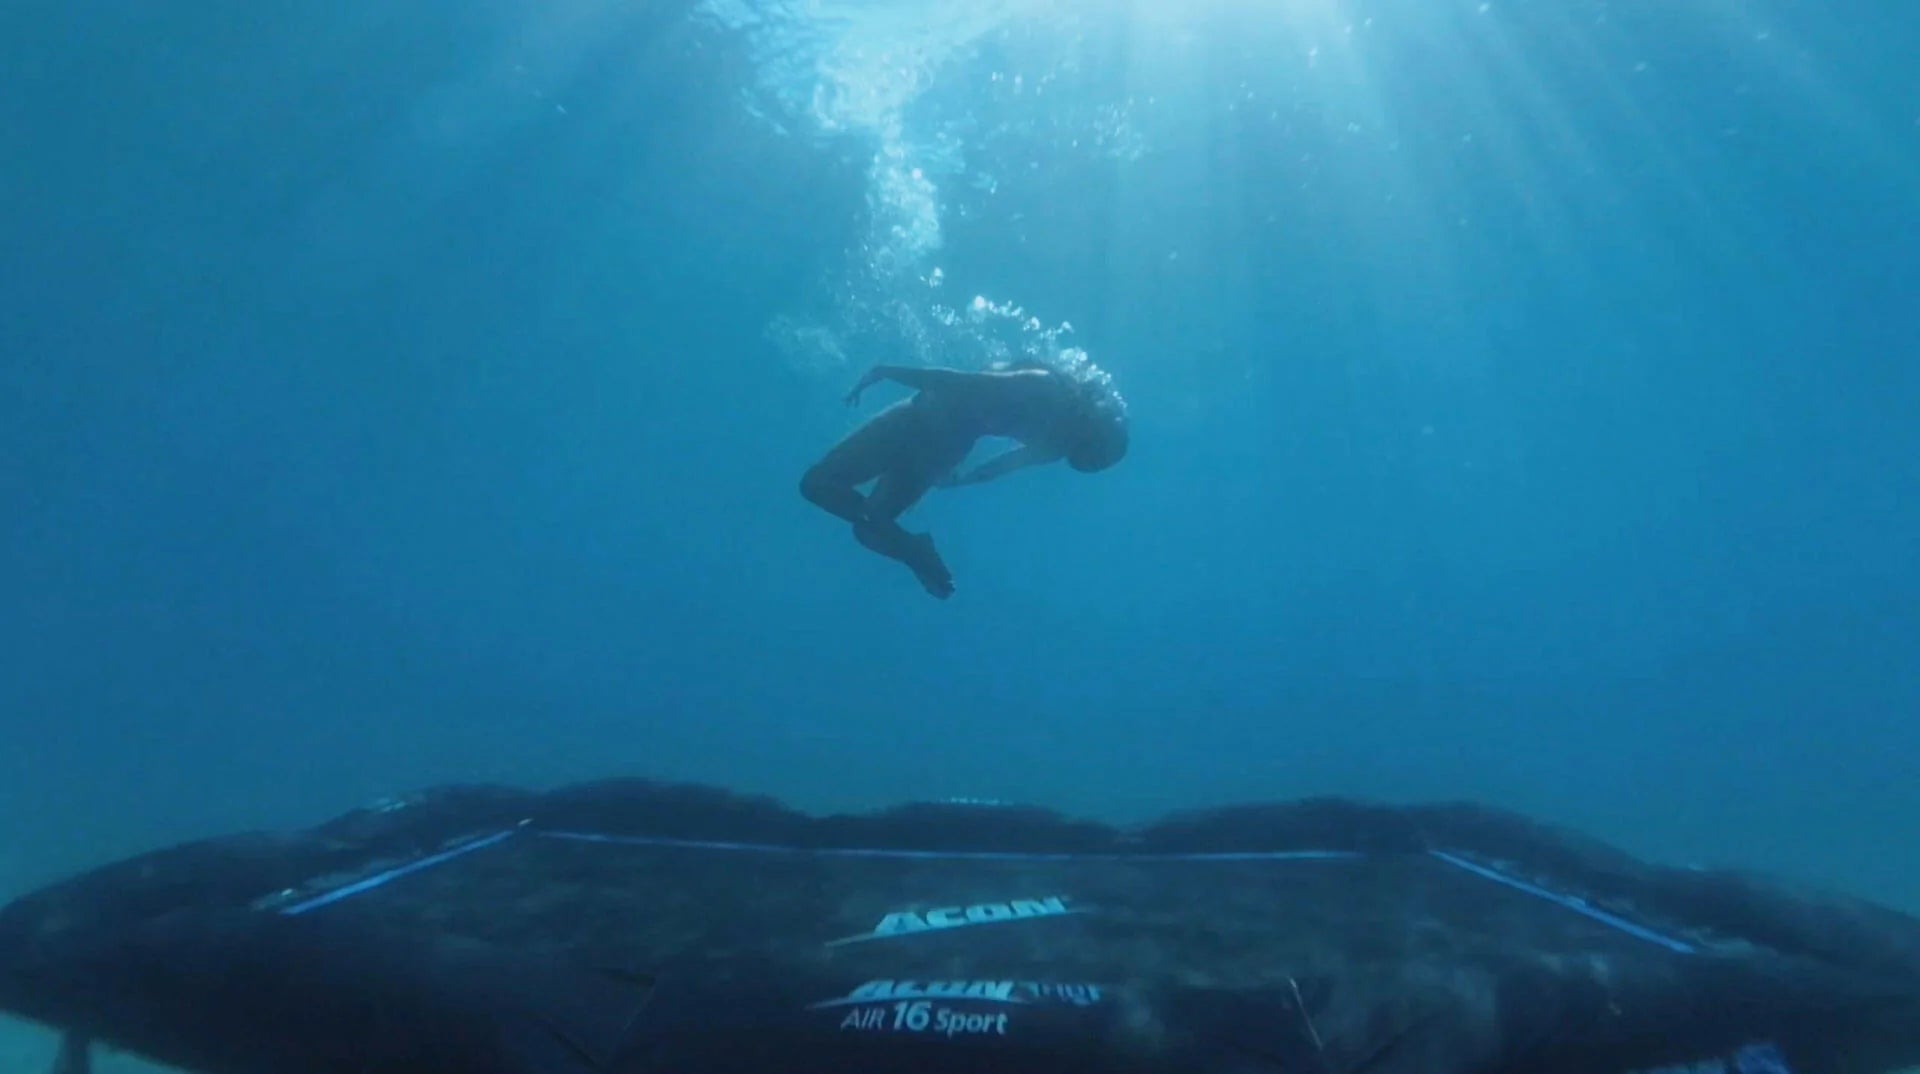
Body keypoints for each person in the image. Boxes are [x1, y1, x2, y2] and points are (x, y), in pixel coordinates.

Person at [800, 360, 1128, 598]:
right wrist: (962, 479)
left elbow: (958, 385)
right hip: (940, 445)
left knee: (823, 489)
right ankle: (917, 553)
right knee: (868, 528)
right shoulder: (1048, 399)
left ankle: (915, 551)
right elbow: (998, 456)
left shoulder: (1049, 405)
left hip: (920, 422)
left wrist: (884, 372)